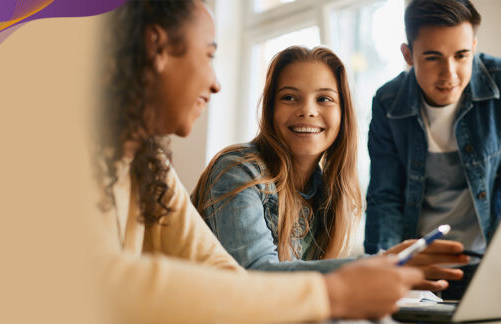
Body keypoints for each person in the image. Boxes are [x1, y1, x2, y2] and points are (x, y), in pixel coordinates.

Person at [94, 0, 426, 322]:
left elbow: (221, 272)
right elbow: (105, 281)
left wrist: (374, 272)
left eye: (324, 98)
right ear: (157, 48)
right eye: (209, 55)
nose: (216, 83)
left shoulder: (150, 165)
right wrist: (334, 291)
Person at [191, 46, 468, 291]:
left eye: (324, 99)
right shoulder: (239, 171)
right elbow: (255, 275)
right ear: (270, 109)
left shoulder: (329, 193)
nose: (307, 111)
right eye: (289, 97)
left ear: (342, 114)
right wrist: (378, 264)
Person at [364, 0, 501, 300]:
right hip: (420, 271)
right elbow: (385, 199)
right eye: (433, 58)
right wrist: (388, 273)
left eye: (462, 56)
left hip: (491, 267)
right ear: (408, 55)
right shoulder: (387, 102)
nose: (450, 75)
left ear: (473, 45)